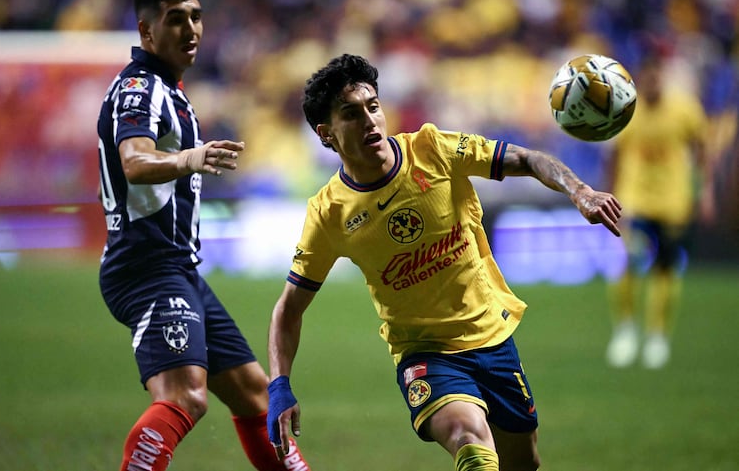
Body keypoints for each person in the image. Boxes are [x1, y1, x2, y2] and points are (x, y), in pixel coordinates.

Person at [266, 54, 622, 471]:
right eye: (351, 113)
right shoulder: (329, 213)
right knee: (469, 437)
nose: (369, 121)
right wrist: (279, 385)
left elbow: (526, 159)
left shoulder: (433, 148)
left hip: (493, 338)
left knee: (522, 463)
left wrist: (579, 191)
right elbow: (289, 308)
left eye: (373, 107)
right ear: (327, 134)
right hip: (426, 355)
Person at [96, 0, 310, 471]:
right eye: (176, 19)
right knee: (187, 396)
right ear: (147, 32)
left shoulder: (171, 89)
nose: (191, 29)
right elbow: (134, 161)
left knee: (258, 394)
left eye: (196, 17)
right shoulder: (139, 89)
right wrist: (192, 158)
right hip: (145, 268)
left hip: (178, 269)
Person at [604, 52, 713, 369]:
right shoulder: (627, 111)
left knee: (665, 268)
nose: (651, 83)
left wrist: (703, 189)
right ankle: (625, 331)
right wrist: (609, 195)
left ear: (661, 76)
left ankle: (657, 336)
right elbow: (613, 155)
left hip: (672, 201)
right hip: (635, 201)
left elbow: (701, 146)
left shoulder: (685, 109)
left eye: (655, 76)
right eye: (646, 77)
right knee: (628, 263)